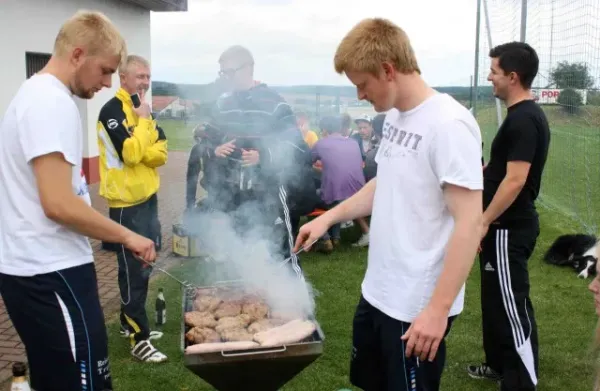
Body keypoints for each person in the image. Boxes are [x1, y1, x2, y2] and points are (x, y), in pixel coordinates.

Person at [294, 18, 483, 391]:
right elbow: (386, 182)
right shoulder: (396, 117)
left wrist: (436, 312)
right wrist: (327, 218)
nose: (360, 96)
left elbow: (469, 223)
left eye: (362, 84)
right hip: (378, 291)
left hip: (416, 307)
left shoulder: (449, 125)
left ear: (388, 70)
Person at [0, 11, 157, 391]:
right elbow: (58, 203)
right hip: (51, 273)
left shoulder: (34, 95)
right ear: (77, 54)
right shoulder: (50, 103)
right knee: (85, 383)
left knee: (55, 379)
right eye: (104, 71)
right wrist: (128, 236)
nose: (106, 83)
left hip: (37, 271)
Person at [467, 42, 550, 391]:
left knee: (512, 306)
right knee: (496, 301)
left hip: (508, 228)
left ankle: (521, 380)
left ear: (513, 77)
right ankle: (499, 365)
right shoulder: (519, 117)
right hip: (499, 229)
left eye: (495, 71)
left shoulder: (525, 119)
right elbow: (502, 170)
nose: (490, 77)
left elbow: (515, 180)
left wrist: (484, 221)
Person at [201, 45, 315, 277]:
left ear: (248, 69)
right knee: (243, 253)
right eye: (222, 73)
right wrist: (215, 148)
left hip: (270, 192)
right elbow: (204, 133)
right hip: (234, 195)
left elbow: (297, 148)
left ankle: (299, 308)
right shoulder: (223, 103)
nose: (224, 78)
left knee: (282, 253)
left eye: (229, 72)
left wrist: (263, 156)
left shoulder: (275, 102)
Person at [96, 54, 168, 363]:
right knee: (133, 272)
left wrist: (143, 140)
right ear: (123, 78)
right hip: (126, 205)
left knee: (145, 265)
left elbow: (161, 151)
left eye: (148, 76)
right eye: (140, 76)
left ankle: (129, 323)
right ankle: (139, 339)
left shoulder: (145, 111)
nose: (146, 82)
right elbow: (130, 154)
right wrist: (140, 123)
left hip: (148, 200)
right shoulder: (112, 111)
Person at [311, 115, 365, 253]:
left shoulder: (321, 143)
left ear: (324, 130)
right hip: (359, 195)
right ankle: (336, 237)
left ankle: (325, 239)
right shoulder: (353, 142)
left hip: (337, 197)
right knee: (336, 194)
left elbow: (306, 162)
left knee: (310, 200)